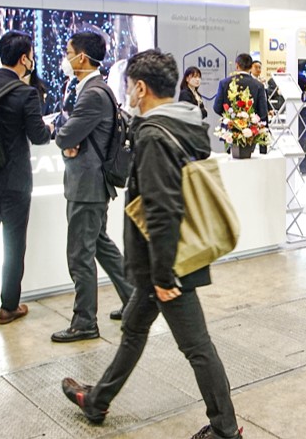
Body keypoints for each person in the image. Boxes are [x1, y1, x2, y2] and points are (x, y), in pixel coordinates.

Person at [60, 49, 243, 439]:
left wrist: (163, 276)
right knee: (133, 328)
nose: (127, 92)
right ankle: (97, 400)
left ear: (141, 88)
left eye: (129, 85)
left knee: (197, 346)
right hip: (165, 257)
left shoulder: (154, 135)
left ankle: (225, 428)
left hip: (167, 263)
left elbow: (161, 209)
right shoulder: (183, 123)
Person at [51, 32, 135, 342]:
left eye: (68, 52)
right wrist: (71, 140)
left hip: (87, 186)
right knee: (100, 245)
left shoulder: (92, 94)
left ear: (82, 57)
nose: (66, 58)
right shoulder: (100, 90)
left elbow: (65, 135)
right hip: (94, 183)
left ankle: (84, 321)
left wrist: (66, 139)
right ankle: (134, 299)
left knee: (80, 254)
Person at [0, 32, 53, 325]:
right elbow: (38, 136)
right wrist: (49, 129)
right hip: (14, 179)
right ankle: (9, 307)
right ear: (24, 59)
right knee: (13, 242)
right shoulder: (25, 93)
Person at [214, 53, 269, 152]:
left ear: (237, 65)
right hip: (251, 132)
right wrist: (251, 120)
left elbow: (217, 107)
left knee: (229, 158)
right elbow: (263, 112)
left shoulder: (224, 83)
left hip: (229, 131)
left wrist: (230, 117)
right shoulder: (258, 85)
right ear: (251, 67)